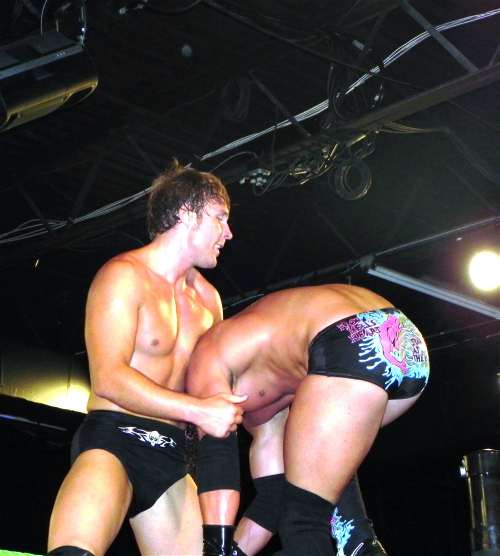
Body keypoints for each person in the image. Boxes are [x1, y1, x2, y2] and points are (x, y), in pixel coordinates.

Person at [47, 161, 247, 556]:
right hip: (113, 439)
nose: (228, 232)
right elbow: (109, 378)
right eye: (220, 217)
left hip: (172, 456)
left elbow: (212, 392)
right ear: (187, 213)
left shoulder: (209, 301)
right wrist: (200, 410)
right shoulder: (124, 276)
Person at [187, 283, 430, 556]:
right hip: (405, 343)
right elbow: (273, 498)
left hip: (350, 339)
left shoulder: (203, 356)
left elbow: (217, 461)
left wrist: (215, 548)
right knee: (339, 519)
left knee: (303, 521)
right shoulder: (267, 405)